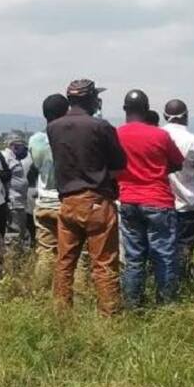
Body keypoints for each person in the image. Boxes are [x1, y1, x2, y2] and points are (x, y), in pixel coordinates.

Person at [47, 79, 126, 316]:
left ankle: (61, 313)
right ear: (91, 99)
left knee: (64, 262)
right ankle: (109, 317)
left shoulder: (53, 127)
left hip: (67, 202)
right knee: (103, 264)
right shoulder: (101, 127)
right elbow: (119, 166)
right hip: (96, 202)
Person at [116, 90, 184, 307]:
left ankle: (133, 305)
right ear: (146, 110)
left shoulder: (117, 134)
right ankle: (166, 304)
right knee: (163, 255)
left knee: (134, 257)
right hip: (158, 200)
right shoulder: (160, 135)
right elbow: (177, 163)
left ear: (125, 109)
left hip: (128, 200)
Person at [161, 98, 194, 279]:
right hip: (187, 205)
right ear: (186, 117)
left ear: (165, 116)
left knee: (161, 249)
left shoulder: (157, 137)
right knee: (184, 250)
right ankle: (180, 285)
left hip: (161, 204)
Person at [30, 94, 70, 282]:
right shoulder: (70, 138)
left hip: (44, 201)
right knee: (73, 255)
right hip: (66, 202)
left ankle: (40, 294)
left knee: (45, 253)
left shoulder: (35, 140)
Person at [4, 138, 33, 247]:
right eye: (23, 148)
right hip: (13, 201)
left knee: (21, 231)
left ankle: (20, 255)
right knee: (14, 232)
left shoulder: (15, 158)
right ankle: (13, 258)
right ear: (14, 146)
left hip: (20, 201)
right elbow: (3, 178)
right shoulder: (6, 157)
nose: (25, 151)